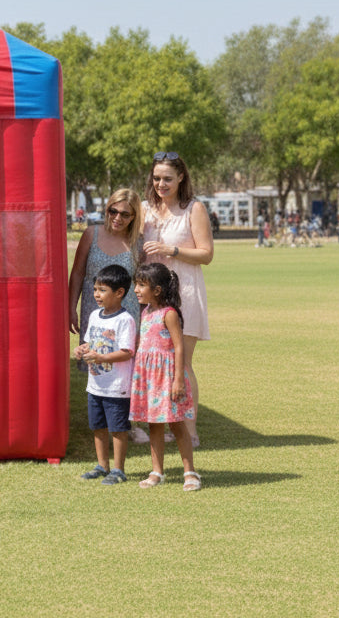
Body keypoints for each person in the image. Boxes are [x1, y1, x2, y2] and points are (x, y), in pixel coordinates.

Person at [141, 152, 211, 447]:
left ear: (181, 177)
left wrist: (172, 250)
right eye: (157, 178)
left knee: (182, 364)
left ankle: (190, 431)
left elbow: (206, 254)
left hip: (185, 295)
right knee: (154, 362)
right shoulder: (144, 208)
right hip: (150, 298)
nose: (161, 184)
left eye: (168, 179)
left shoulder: (193, 208)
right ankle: (162, 424)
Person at [67, 187, 144, 440]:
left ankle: (130, 422)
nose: (118, 218)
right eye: (113, 211)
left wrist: (146, 321)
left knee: (124, 366)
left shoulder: (138, 242)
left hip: (127, 313)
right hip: (94, 311)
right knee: (97, 363)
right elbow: (77, 273)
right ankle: (100, 418)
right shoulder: (92, 233)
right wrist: (71, 307)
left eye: (125, 214)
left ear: (134, 217)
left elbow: (142, 283)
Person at [128, 263, 199, 491]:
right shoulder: (146, 312)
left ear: (157, 290)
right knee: (154, 425)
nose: (136, 290)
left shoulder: (169, 314)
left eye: (141, 285)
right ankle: (157, 471)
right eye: (136, 284)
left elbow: (179, 347)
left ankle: (190, 472)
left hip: (167, 377)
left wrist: (178, 380)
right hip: (149, 379)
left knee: (176, 424)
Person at [75, 265, 138, 486]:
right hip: (95, 385)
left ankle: (119, 470)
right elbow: (90, 342)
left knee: (118, 429)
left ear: (119, 292)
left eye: (102, 290)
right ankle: (102, 465)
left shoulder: (125, 320)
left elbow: (127, 352)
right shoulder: (94, 315)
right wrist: (82, 349)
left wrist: (101, 358)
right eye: (95, 289)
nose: (96, 294)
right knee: (98, 426)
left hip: (116, 387)